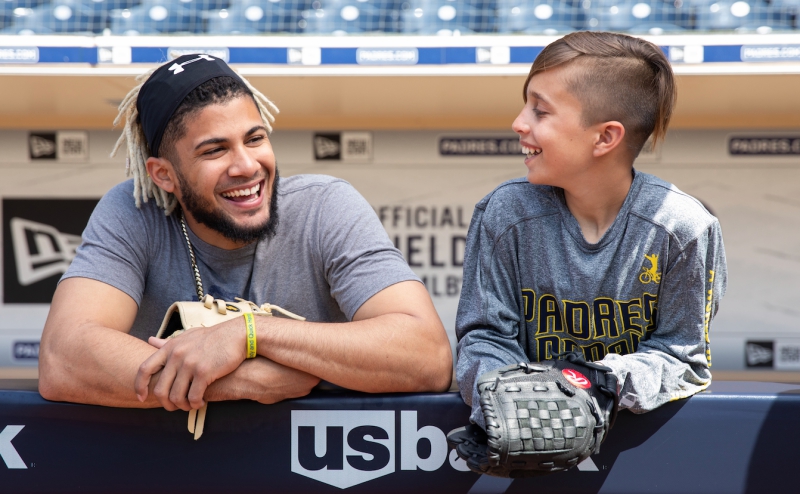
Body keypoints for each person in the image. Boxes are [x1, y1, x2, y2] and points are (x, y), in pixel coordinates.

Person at [39, 54, 453, 413]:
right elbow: (63, 359)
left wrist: (249, 333)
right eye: (214, 150)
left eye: (255, 139)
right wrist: (242, 382)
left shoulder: (325, 206)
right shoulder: (133, 212)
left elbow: (427, 357)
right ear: (164, 175)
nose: (247, 166)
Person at [455, 32, 727, 429]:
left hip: (639, 448)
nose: (518, 123)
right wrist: (513, 406)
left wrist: (593, 386)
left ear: (605, 137)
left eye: (540, 111)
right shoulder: (505, 212)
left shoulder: (684, 227)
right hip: (524, 436)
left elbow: (681, 357)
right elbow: (484, 339)